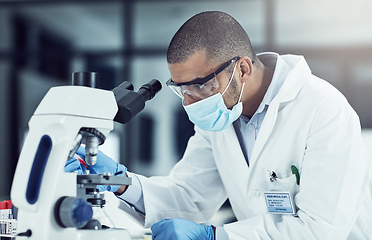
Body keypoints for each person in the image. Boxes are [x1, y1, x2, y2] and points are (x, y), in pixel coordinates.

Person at [65, 11, 372, 239]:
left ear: (242, 69)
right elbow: (188, 197)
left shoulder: (323, 110)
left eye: (200, 85)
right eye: (182, 89)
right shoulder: (222, 116)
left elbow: (321, 229)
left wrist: (216, 236)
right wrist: (121, 182)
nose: (189, 102)